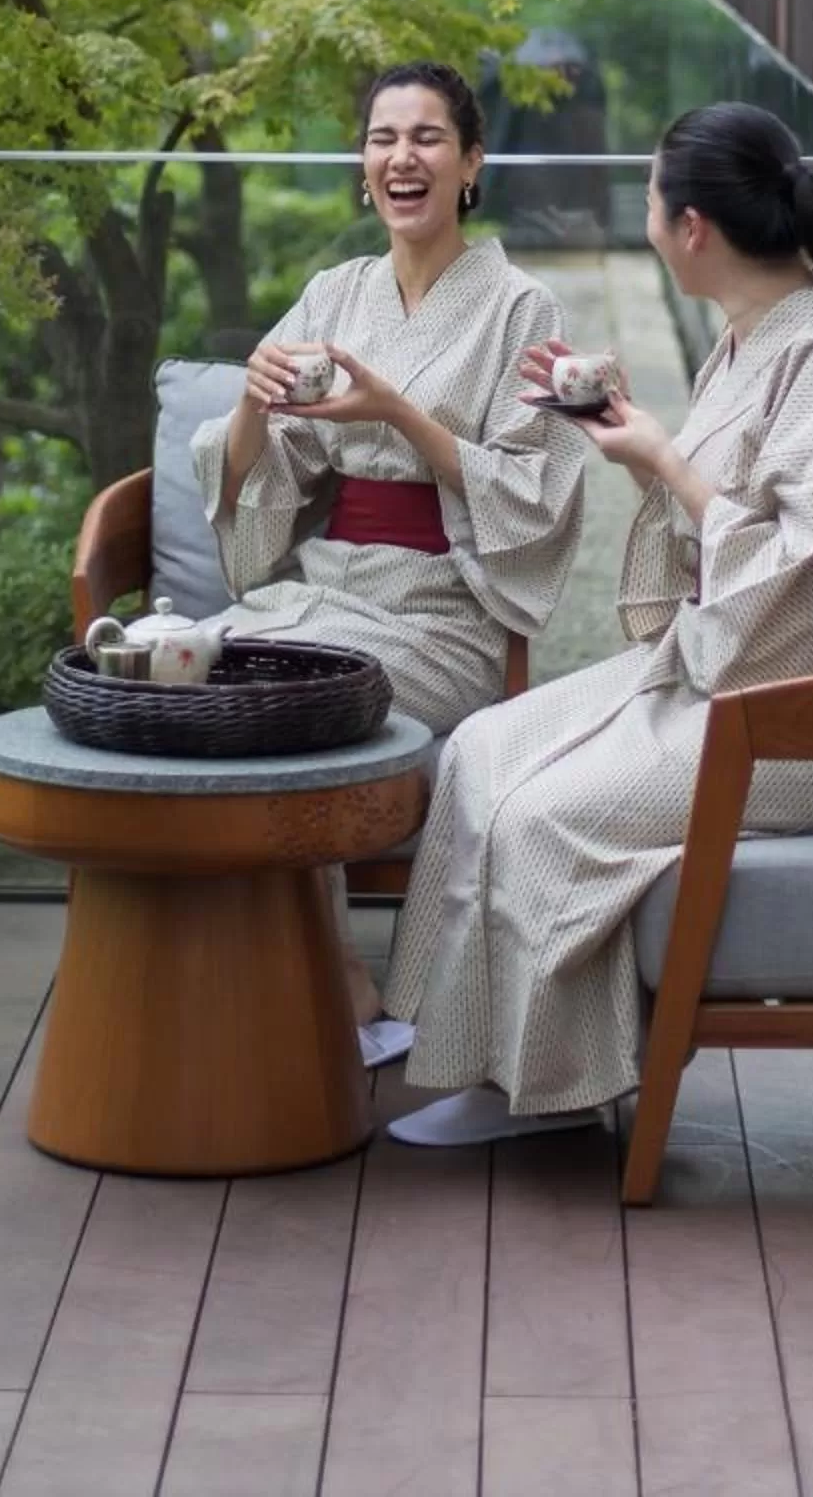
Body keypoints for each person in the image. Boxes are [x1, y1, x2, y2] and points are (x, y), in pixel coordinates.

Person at [376, 99, 813, 1147]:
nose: (640, 216)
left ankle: (548, 1089)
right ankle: (457, 1032)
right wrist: (635, 443)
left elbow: (803, 581)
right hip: (733, 671)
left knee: (545, 818)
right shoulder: (750, 342)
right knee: (481, 752)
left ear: (690, 229)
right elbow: (728, 542)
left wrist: (663, 462)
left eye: (646, 199)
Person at [191, 61, 589, 1037]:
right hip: (324, 587)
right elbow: (255, 469)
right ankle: (220, 969)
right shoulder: (334, 292)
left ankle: (338, 988)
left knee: (293, 709)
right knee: (182, 678)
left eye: (424, 139)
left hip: (439, 611)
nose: (399, 157)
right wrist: (249, 396)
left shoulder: (521, 311)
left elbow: (535, 491)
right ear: (361, 167)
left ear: (469, 164)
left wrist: (396, 414)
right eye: (381, 139)